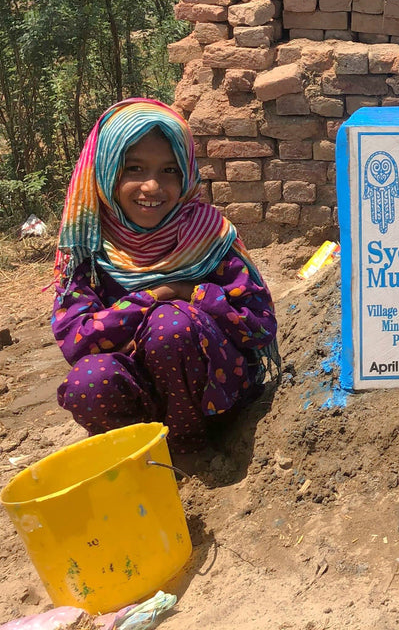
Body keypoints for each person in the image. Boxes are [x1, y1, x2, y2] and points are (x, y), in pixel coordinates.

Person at [52, 98, 278, 454]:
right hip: (141, 397)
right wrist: (157, 295)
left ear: (187, 174)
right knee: (89, 380)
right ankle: (139, 454)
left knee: (171, 326)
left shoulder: (209, 236)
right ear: (108, 171)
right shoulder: (89, 248)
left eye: (169, 170)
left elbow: (259, 324)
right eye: (134, 169)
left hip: (214, 394)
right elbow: (77, 340)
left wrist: (194, 297)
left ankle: (194, 451)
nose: (152, 187)